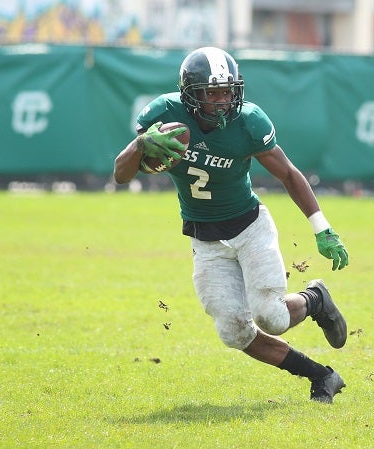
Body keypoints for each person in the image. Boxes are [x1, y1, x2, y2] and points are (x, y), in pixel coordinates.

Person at [114, 47, 350, 403]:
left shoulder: (248, 121)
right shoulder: (165, 115)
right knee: (234, 332)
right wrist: (141, 143)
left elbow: (287, 173)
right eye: (213, 93)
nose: (223, 102)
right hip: (205, 240)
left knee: (271, 317)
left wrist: (322, 227)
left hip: (250, 227)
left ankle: (315, 298)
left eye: (228, 91)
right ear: (190, 94)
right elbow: (121, 174)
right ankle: (322, 376)